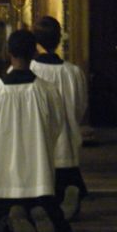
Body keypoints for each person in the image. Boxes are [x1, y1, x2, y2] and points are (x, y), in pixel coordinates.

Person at [0, 30, 72, 232]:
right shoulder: (48, 90)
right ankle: (41, 215)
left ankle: (10, 223)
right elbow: (55, 128)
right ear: (34, 54)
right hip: (39, 179)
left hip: (1, 181)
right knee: (52, 214)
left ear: (9, 53)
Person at [31, 16, 88, 220]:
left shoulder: (30, 71)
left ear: (35, 42)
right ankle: (67, 201)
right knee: (65, 181)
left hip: (38, 143)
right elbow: (80, 106)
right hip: (67, 141)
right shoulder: (73, 72)